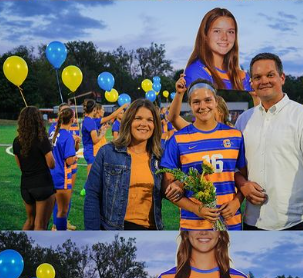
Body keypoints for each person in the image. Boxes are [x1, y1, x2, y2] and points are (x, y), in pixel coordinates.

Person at [235, 53, 303, 230]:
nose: (263, 81)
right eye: (257, 77)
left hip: (295, 222)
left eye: (270, 75)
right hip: (252, 221)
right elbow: (234, 166)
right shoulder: (243, 120)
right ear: (252, 82)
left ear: (282, 77)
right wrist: (242, 184)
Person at [161, 82, 246, 232]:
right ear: (190, 105)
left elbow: (243, 180)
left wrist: (236, 203)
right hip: (193, 226)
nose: (202, 106)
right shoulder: (178, 139)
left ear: (215, 101)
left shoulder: (235, 136)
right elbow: (169, 189)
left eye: (207, 100)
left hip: (230, 223)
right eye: (196, 102)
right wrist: (196, 209)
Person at [84, 98, 165, 230]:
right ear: (129, 121)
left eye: (150, 120)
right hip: (114, 230)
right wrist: (93, 235)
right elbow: (92, 195)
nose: (144, 124)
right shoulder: (107, 152)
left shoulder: (160, 156)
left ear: (155, 125)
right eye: (138, 118)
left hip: (151, 232)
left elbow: (168, 190)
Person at [155, 228, 252, 278]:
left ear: (220, 233)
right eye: (196, 225)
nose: (204, 232)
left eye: (212, 225)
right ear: (187, 233)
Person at [183, 8, 252, 90]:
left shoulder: (243, 77)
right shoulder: (196, 71)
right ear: (205, 35)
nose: (224, 37)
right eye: (217, 31)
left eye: (230, 32)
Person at [12, 105, 56, 230]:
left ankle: (20, 247)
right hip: (42, 184)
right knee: (40, 224)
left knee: (30, 221)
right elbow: (51, 164)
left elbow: (21, 167)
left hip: (26, 186)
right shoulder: (42, 139)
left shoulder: (16, 141)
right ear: (38, 120)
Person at [50, 106, 78, 231]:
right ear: (72, 119)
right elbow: (69, 160)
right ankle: (60, 233)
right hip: (62, 176)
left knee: (52, 207)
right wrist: (75, 158)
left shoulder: (53, 133)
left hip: (50, 175)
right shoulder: (67, 136)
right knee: (62, 211)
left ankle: (54, 228)